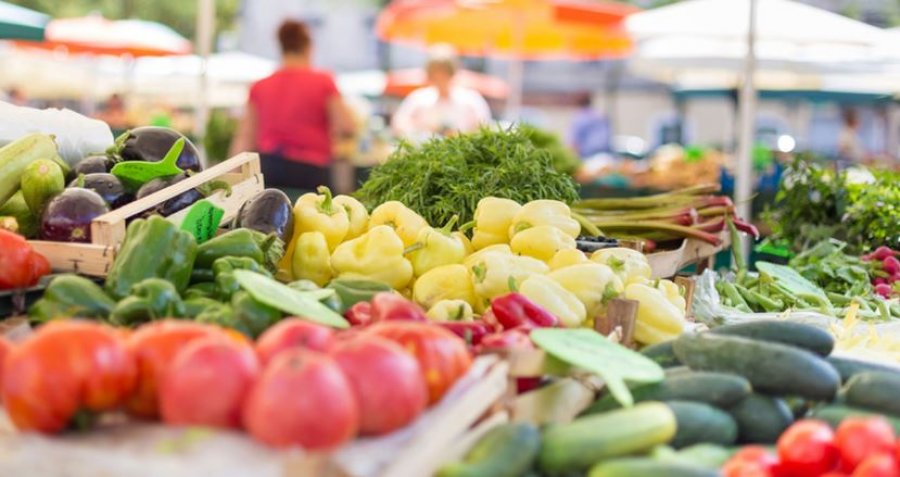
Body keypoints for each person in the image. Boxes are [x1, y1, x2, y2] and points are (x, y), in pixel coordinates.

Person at [230, 19, 355, 192]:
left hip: (270, 168)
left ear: (281, 47)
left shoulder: (260, 86)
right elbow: (346, 126)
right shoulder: (323, 81)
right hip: (312, 171)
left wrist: (231, 178)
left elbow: (245, 137)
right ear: (308, 47)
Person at [391, 45, 491, 141]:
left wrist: (460, 135)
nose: (439, 78)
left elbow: (483, 128)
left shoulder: (471, 100)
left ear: (452, 73)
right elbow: (399, 123)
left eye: (443, 73)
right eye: (435, 74)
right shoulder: (418, 99)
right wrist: (420, 129)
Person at [568, 93, 611, 159]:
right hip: (605, 155)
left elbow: (574, 142)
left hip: (587, 157)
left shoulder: (579, 117)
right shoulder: (601, 115)